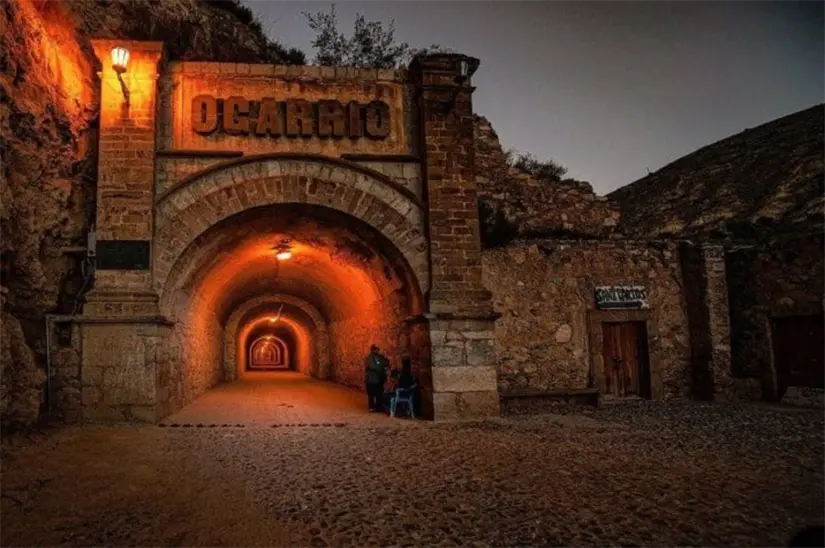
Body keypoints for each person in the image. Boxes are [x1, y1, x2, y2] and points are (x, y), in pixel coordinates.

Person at [364, 344, 388, 412]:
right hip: (372, 379)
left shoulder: (379, 357)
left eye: (378, 349)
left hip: (378, 379)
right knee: (372, 393)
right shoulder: (370, 358)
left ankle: (377, 407)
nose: (377, 351)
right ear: (373, 350)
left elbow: (385, 363)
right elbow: (373, 366)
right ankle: (372, 407)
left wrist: (384, 358)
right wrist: (380, 367)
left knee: (378, 393)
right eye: (376, 349)